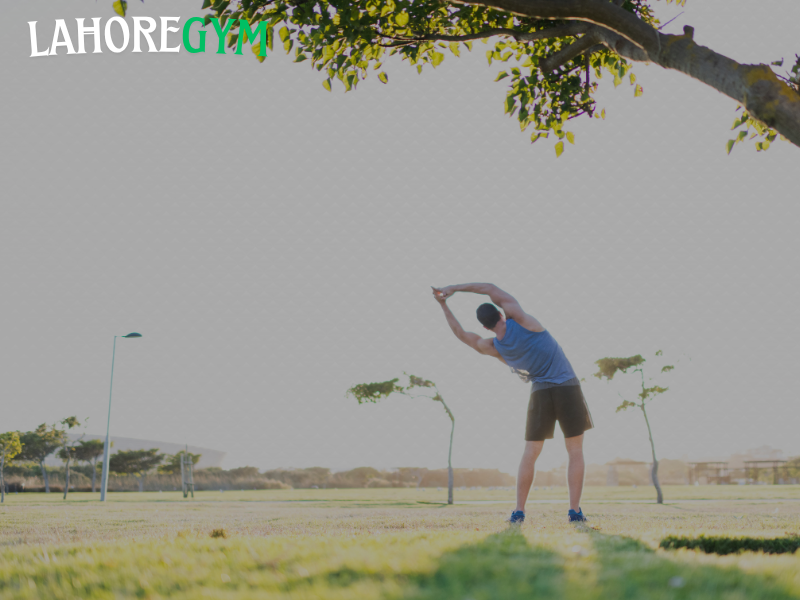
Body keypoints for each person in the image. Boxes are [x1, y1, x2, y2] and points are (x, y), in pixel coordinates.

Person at [432, 283, 593, 524]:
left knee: (530, 453)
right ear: (500, 313)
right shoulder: (521, 319)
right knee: (575, 450)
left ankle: (519, 511)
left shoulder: (493, 347)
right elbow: (489, 288)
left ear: (485, 326)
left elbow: (461, 334)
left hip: (540, 392)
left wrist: (443, 304)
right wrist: (453, 288)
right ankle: (574, 512)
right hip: (567, 386)